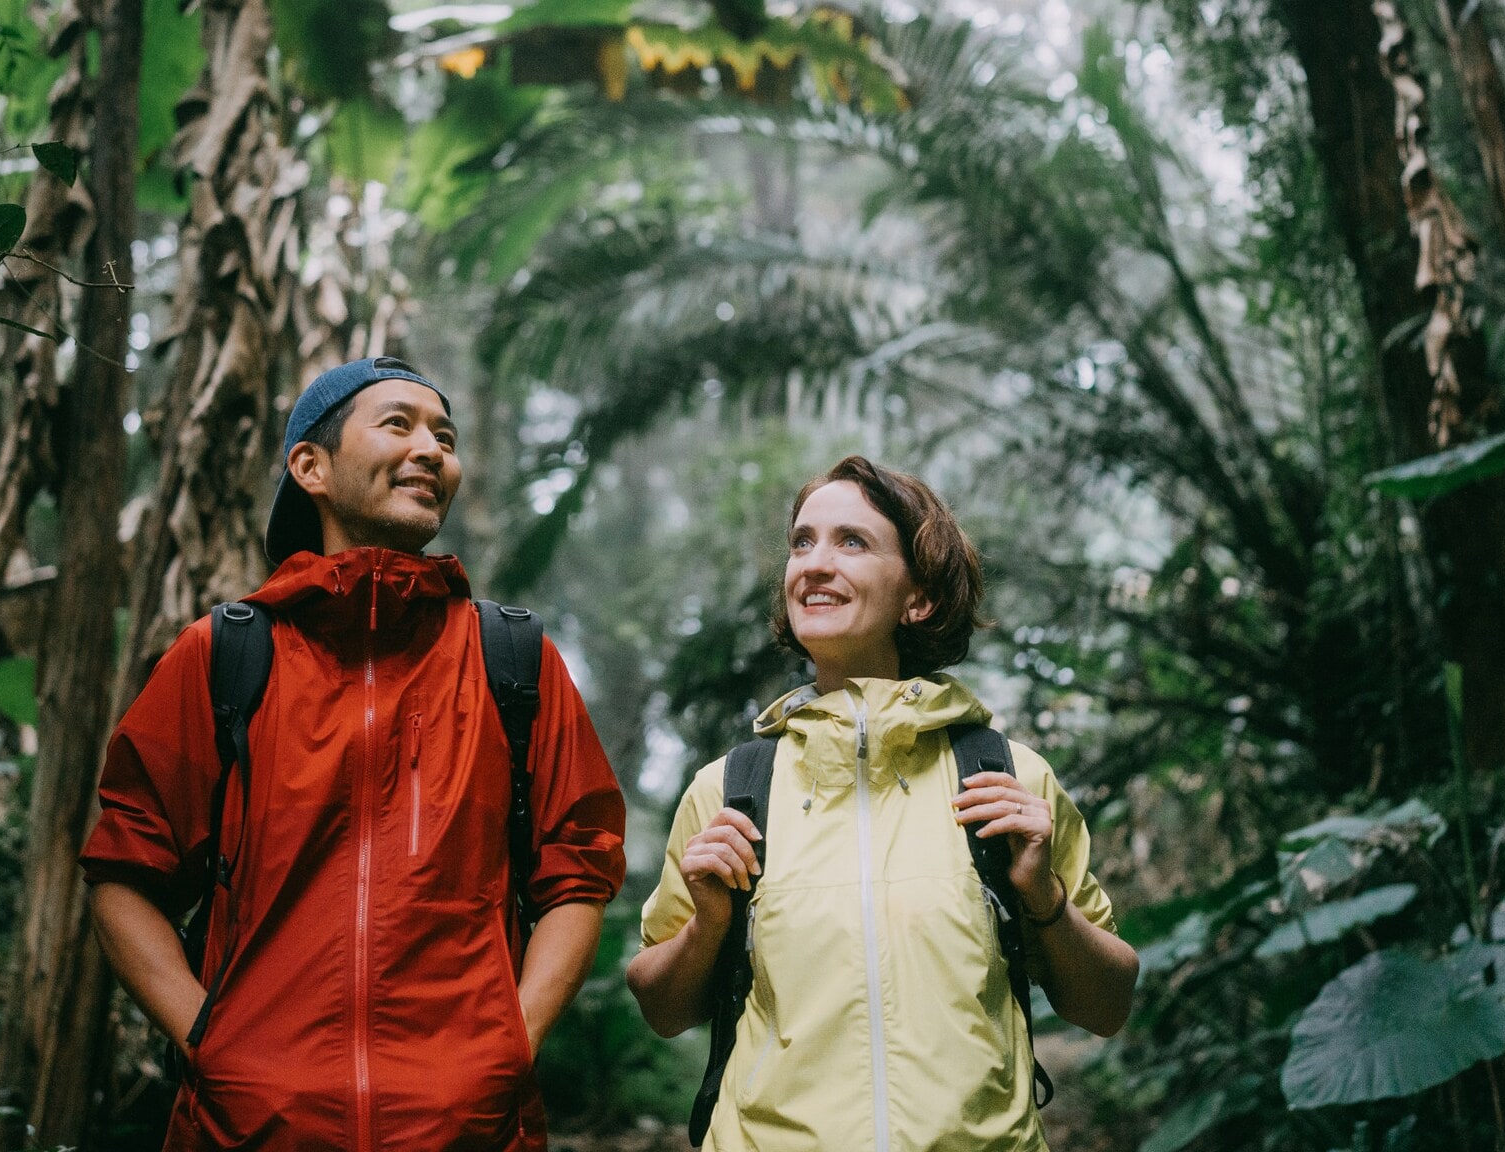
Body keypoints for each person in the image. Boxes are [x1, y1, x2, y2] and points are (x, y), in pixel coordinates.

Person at [82, 357, 627, 1152]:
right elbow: (125, 872)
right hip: (253, 1129)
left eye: (445, 437)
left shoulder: (512, 660)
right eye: (398, 424)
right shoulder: (224, 655)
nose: (431, 450)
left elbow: (578, 870)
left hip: (466, 1128)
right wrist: (214, 1047)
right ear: (311, 466)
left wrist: (509, 1046)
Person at [627, 455, 1138, 1152]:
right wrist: (708, 925)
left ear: (918, 598)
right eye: (802, 542)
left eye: (852, 542)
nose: (814, 563)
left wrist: (1043, 896)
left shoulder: (1006, 778)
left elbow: (1107, 1006)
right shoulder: (732, 789)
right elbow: (661, 1008)